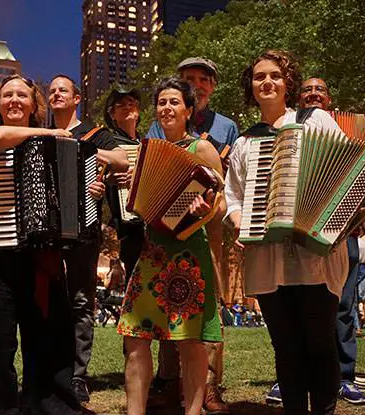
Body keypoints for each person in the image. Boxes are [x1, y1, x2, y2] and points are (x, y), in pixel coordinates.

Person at [225, 50, 350, 415]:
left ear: (287, 83)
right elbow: (232, 196)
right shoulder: (247, 142)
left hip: (316, 254)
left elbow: (346, 170)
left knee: (321, 344)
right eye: (259, 76)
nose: (267, 82)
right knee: (286, 346)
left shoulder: (316, 122)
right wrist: (239, 222)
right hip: (267, 256)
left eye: (275, 75)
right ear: (251, 87)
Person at [0, 74, 91, 415]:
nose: (14, 100)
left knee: (48, 336)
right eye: (7, 96)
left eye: (22, 95)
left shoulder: (55, 145)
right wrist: (47, 132)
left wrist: (86, 192)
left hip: (42, 256)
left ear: (35, 105)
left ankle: (47, 405)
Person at [266, 76, 365, 406]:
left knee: (341, 308)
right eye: (307, 90)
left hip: (345, 233)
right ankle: (294, 380)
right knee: (296, 312)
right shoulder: (289, 126)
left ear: (329, 97)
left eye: (319, 90)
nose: (312, 94)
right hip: (298, 236)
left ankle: (345, 377)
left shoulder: (353, 127)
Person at [118, 77, 225, 415]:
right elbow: (140, 202)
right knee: (135, 338)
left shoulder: (202, 149)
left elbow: (220, 202)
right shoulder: (148, 149)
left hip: (190, 253)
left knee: (191, 341)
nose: (166, 108)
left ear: (188, 110)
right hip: (154, 251)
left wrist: (206, 208)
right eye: (161, 102)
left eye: (174, 102)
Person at [146, 57, 233, 415]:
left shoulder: (227, 126)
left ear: (211, 87)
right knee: (166, 300)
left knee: (205, 300)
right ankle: (169, 381)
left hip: (207, 223)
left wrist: (214, 208)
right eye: (188, 78)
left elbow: (229, 177)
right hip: (165, 226)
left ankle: (209, 386)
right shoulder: (158, 123)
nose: (196, 83)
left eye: (203, 79)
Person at [48, 74, 128, 403]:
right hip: (46, 229)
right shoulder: (43, 132)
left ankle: (78, 375)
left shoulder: (96, 135)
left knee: (81, 301)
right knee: (50, 302)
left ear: (77, 98)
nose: (55, 95)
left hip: (85, 228)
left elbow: (122, 159)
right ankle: (52, 371)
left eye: (62, 90)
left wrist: (89, 154)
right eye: (51, 91)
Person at [103, 85, 145, 289]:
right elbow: (98, 178)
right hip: (129, 222)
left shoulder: (147, 143)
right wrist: (110, 178)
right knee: (135, 280)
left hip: (152, 220)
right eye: (121, 105)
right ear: (112, 114)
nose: (128, 107)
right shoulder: (109, 143)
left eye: (132, 103)